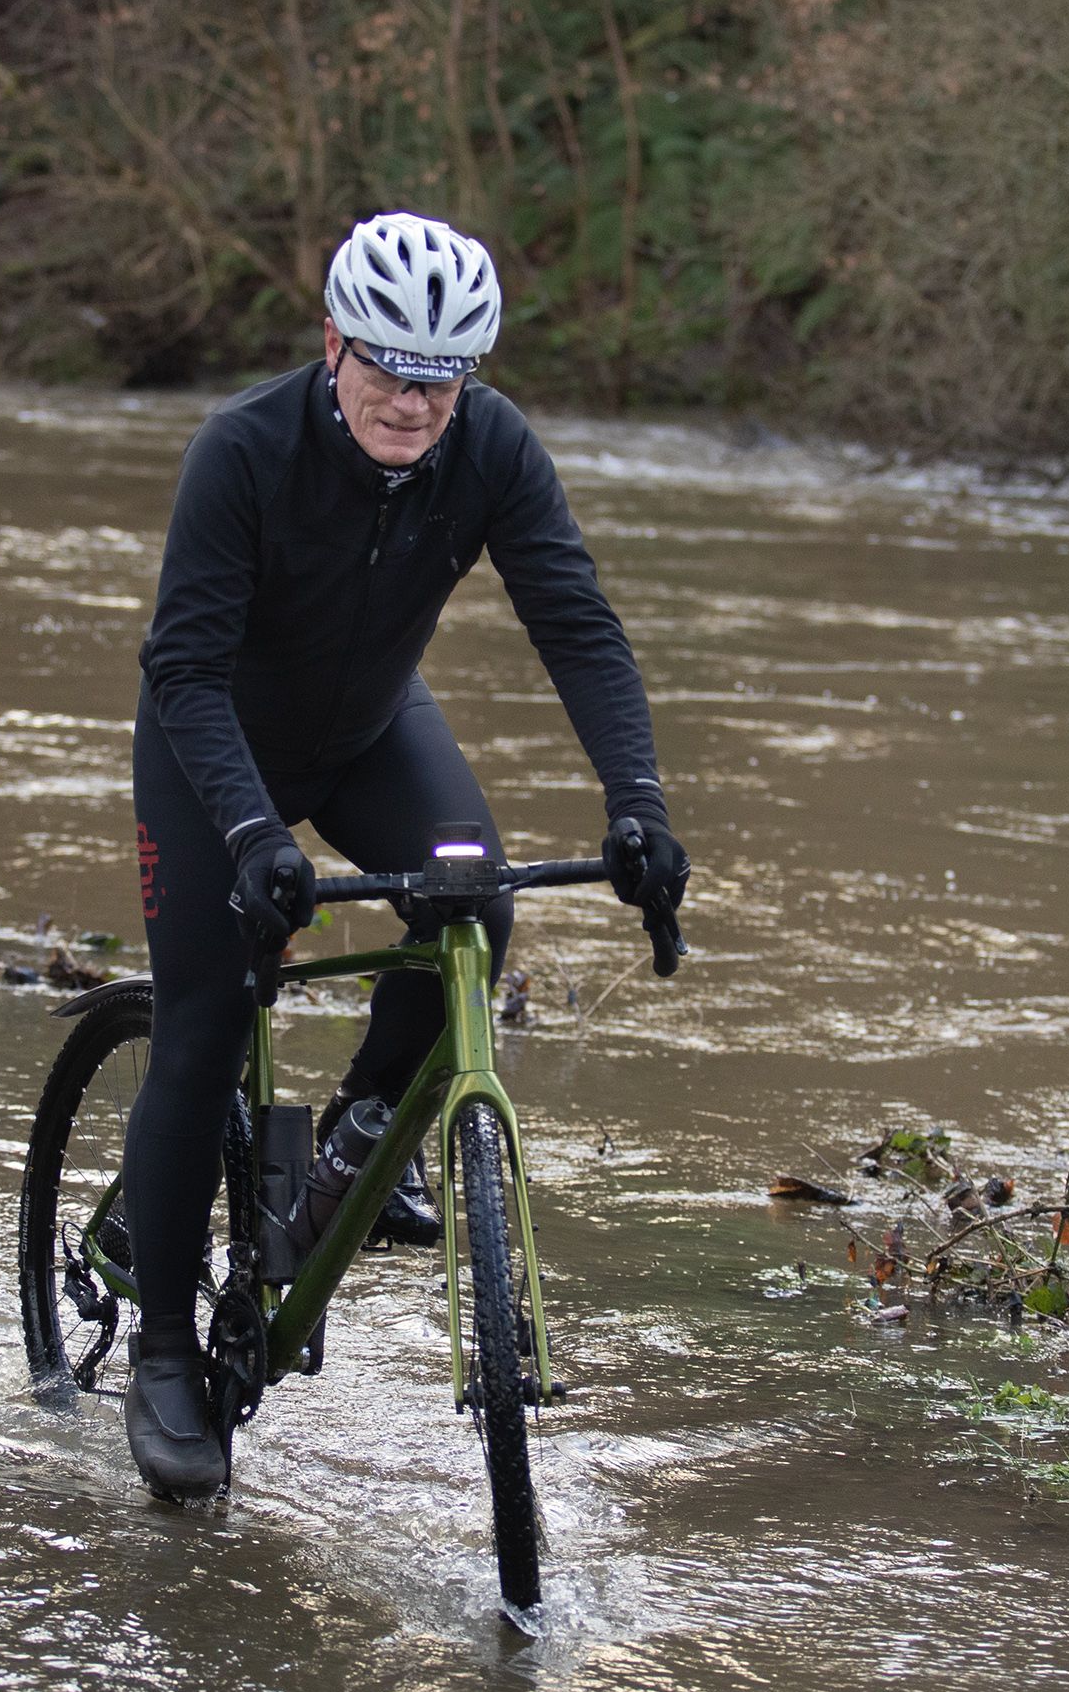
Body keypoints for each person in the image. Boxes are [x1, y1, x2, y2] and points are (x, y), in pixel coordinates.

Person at [120, 211, 689, 1498]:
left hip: (372, 731)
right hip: (215, 746)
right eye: (388, 371)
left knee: (472, 901)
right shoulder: (242, 451)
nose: (416, 405)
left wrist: (640, 800)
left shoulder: (488, 448)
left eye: (445, 380)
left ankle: (359, 1139)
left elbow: (578, 626)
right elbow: (185, 669)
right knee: (205, 1026)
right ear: (333, 343)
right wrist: (257, 834)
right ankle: (162, 1349)